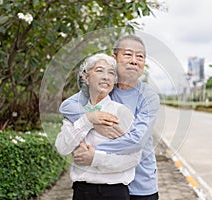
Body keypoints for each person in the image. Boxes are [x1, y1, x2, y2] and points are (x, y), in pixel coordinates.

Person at [60, 35, 160, 200]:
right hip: (106, 183)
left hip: (140, 186)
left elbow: (137, 140)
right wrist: (93, 120)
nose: (134, 61)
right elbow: (67, 106)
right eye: (128, 54)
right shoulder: (104, 87)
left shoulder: (148, 96)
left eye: (140, 56)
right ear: (114, 58)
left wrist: (96, 155)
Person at [55, 53, 142, 200]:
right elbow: (62, 148)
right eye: (100, 70)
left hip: (115, 193)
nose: (106, 77)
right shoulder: (75, 112)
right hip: (82, 192)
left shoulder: (122, 112)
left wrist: (95, 158)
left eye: (111, 73)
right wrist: (88, 120)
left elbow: (133, 158)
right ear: (86, 77)